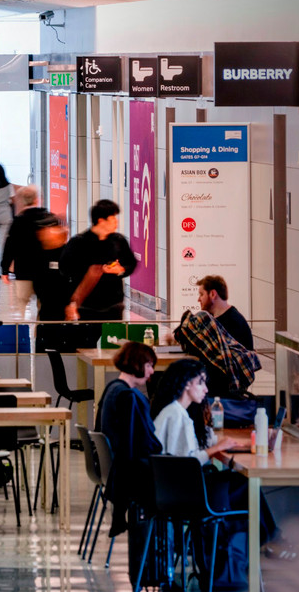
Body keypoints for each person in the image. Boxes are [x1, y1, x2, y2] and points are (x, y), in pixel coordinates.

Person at [150, 357, 274, 544]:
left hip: (174, 490)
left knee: (239, 483)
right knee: (245, 485)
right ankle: (268, 541)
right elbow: (186, 462)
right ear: (187, 384)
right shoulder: (177, 416)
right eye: (201, 383)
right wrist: (216, 448)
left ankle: (261, 542)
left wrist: (220, 444)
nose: (206, 389)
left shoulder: (173, 411)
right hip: (186, 494)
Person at [94, 341, 160, 539]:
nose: (152, 372)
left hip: (112, 471)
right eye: (149, 365)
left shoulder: (112, 389)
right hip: (127, 475)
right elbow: (138, 445)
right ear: (138, 364)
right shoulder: (128, 397)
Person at [61, 199, 137, 325]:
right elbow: (65, 268)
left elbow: (131, 263)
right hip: (87, 306)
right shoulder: (79, 243)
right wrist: (91, 269)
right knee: (87, 343)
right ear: (101, 221)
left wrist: (120, 270)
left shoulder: (118, 241)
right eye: (113, 218)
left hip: (114, 304)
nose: (116, 222)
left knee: (113, 341)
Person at [0, 185, 64, 314]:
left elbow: (10, 246)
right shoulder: (50, 218)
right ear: (37, 199)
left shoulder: (18, 221)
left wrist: (5, 269)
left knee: (21, 305)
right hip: (46, 272)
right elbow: (59, 246)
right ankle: (40, 332)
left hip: (23, 271)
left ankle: (22, 331)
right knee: (44, 306)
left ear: (22, 201)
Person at [197, 276, 251, 349]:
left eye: (201, 294)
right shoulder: (218, 319)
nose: (198, 299)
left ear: (213, 294)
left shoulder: (233, 322)